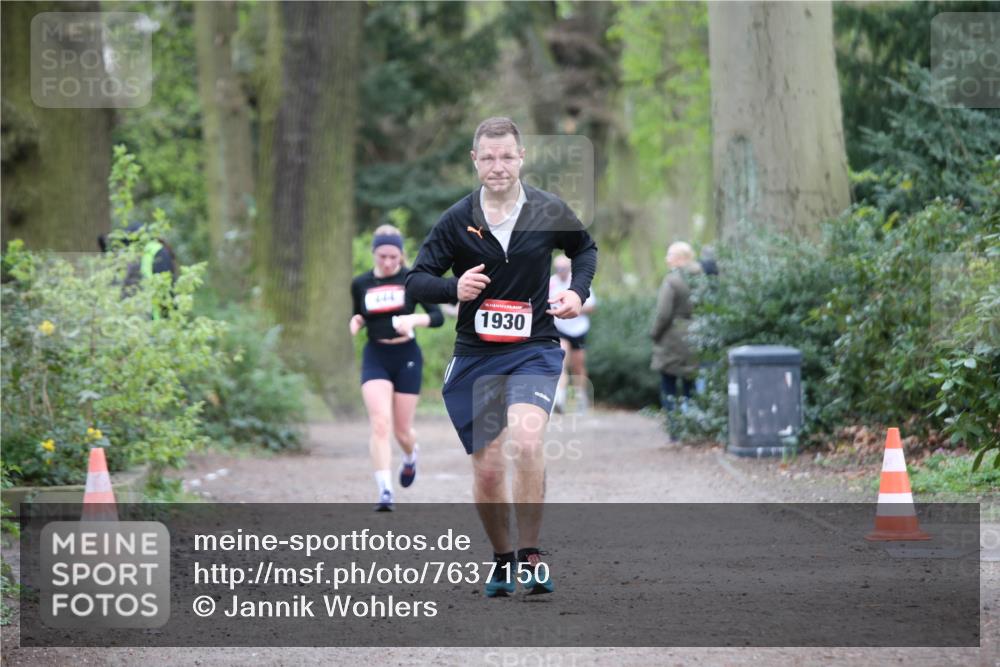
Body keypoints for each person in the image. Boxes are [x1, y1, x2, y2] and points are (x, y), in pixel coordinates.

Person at [406, 117, 597, 597]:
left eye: (506, 156)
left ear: (521, 157)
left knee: (529, 443)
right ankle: (502, 558)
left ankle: (531, 555)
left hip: (534, 349)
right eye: (488, 157)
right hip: (476, 356)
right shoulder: (456, 219)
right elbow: (415, 281)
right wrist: (454, 287)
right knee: (489, 468)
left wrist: (577, 291)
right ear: (475, 160)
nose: (498, 166)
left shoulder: (548, 208)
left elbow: (585, 249)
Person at [350, 225, 444, 511]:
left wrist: (414, 321)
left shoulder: (413, 280)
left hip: (407, 356)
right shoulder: (360, 283)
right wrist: (356, 321)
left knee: (402, 432)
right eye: (382, 257)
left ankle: (410, 456)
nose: (389, 262)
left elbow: (437, 317)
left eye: (394, 256)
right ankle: (385, 491)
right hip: (376, 354)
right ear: (374, 255)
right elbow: (359, 312)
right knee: (380, 423)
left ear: (402, 255)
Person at [651, 241, 700, 442]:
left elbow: (663, 314)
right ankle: (693, 426)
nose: (667, 258)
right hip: (698, 335)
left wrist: (654, 333)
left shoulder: (672, 281)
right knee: (691, 384)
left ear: (681, 258)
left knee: (669, 384)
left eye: (670, 254)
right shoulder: (701, 278)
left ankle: (675, 430)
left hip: (673, 338)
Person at [549, 254, 596, 414]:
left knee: (578, 367)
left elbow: (591, 306)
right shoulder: (552, 282)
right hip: (560, 329)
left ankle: (580, 399)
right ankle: (560, 399)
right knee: (562, 363)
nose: (560, 271)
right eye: (558, 268)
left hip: (578, 329)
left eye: (564, 268)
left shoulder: (578, 281)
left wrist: (573, 307)